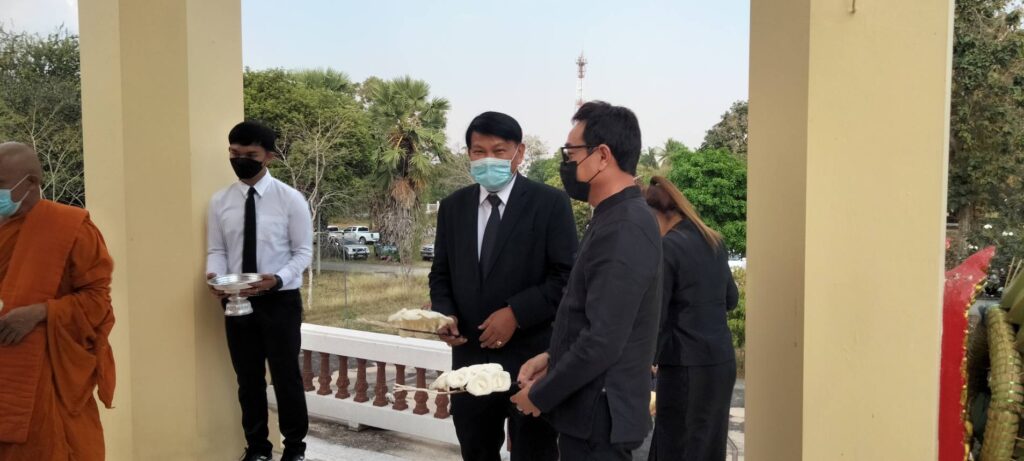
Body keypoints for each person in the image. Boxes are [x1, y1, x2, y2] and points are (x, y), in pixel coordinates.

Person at [511, 101, 663, 461]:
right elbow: (591, 317)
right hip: (589, 412)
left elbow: (602, 340)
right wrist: (552, 358)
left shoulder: (625, 226)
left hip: (600, 416)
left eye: (571, 153)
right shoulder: (612, 217)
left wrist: (540, 395)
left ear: (602, 156)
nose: (566, 163)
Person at [430, 111, 578, 461]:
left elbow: (566, 277)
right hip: (469, 360)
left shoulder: (550, 203)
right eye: (478, 151)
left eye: (499, 151)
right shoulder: (453, 207)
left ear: (519, 152)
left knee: (534, 453)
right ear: (468, 154)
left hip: (530, 361)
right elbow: (441, 274)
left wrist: (516, 313)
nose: (488, 159)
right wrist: (445, 313)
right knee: (476, 450)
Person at [0, 142, 116, 461]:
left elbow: (97, 301)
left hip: (46, 374)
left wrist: (40, 312)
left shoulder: (69, 227)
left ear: (31, 182)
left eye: (0, 183)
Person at [206, 121, 312, 461]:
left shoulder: (290, 199)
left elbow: (303, 252)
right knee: (248, 379)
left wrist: (277, 279)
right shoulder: (220, 201)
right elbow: (217, 249)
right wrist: (215, 276)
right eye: (234, 153)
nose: (240, 160)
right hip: (237, 301)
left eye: (250, 155)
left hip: (280, 301)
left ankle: (294, 449)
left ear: (269, 157)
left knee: (286, 377)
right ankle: (258, 449)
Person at [644, 176, 738, 461]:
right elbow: (731, 299)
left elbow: (656, 315)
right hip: (721, 362)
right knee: (709, 448)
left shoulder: (668, 248)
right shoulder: (713, 240)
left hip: (684, 366)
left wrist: (646, 361)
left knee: (676, 447)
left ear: (656, 214)